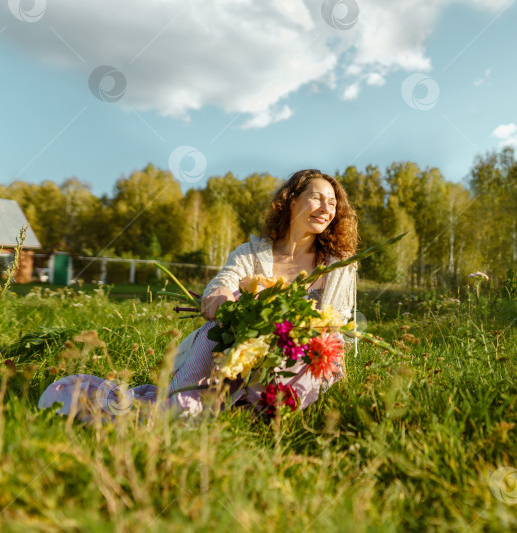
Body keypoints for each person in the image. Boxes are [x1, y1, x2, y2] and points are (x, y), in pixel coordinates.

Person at [38, 169, 359, 420]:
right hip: (239, 357)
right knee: (215, 329)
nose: (326, 208)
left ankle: (221, 410)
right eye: (317, 198)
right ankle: (181, 406)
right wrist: (219, 299)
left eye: (333, 203)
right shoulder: (251, 253)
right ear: (291, 201)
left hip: (300, 362)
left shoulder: (338, 266)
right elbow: (224, 282)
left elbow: (338, 330)